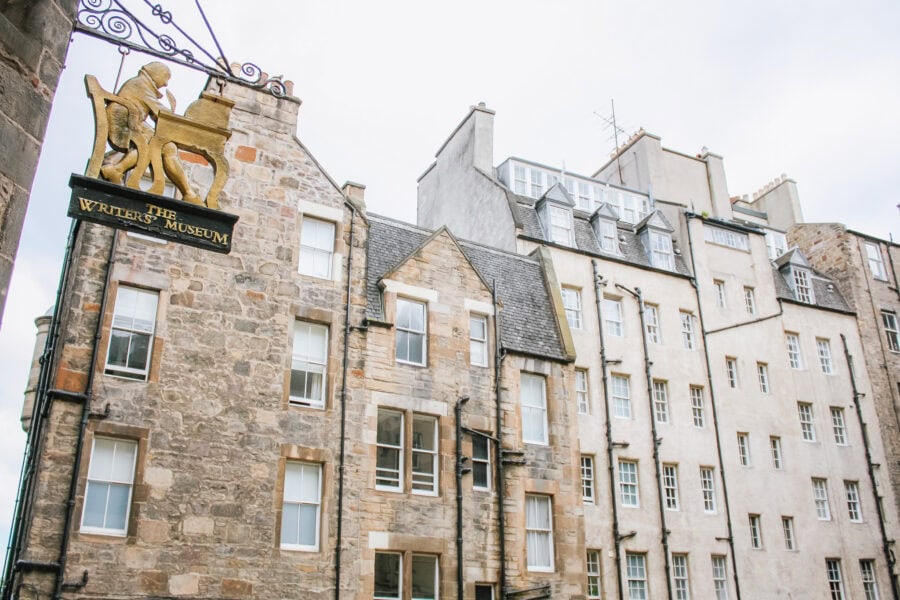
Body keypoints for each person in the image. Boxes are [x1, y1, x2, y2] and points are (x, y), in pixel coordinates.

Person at [100, 61, 202, 204]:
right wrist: (173, 114)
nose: (166, 84)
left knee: (168, 146)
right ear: (156, 73)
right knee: (162, 145)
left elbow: (155, 113)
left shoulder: (143, 86)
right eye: (166, 78)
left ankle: (117, 169)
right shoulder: (140, 84)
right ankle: (188, 193)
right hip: (124, 122)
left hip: (132, 121)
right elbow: (159, 110)